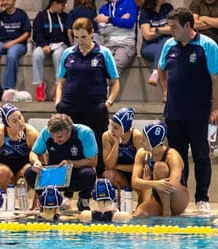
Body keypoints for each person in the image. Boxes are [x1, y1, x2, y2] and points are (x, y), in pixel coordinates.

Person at [157, 8, 218, 214]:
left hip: (198, 112)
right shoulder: (169, 45)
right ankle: (182, 197)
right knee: (177, 157)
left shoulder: (207, 46)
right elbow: (161, 70)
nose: (171, 30)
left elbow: (217, 78)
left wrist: (216, 108)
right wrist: (166, 90)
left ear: (188, 26)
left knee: (201, 156)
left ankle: (202, 198)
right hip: (174, 112)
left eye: (174, 27)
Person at [56, 17, 120, 177]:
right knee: (69, 143)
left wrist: (108, 103)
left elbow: (115, 82)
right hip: (70, 107)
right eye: (76, 37)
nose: (80, 41)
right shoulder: (68, 53)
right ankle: (68, 188)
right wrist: (58, 102)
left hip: (95, 108)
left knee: (97, 144)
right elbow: (61, 81)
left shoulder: (103, 53)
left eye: (83, 36)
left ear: (92, 34)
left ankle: (97, 183)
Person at [24, 113, 97, 211]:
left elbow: (92, 162)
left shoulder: (85, 133)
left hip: (75, 174)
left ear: (69, 131)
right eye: (52, 137)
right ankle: (46, 198)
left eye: (59, 137)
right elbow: (34, 152)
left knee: (89, 173)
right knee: (29, 172)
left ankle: (84, 199)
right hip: (54, 174)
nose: (55, 141)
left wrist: (71, 163)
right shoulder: (46, 132)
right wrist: (36, 161)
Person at [131, 122, 189, 216]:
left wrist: (150, 182)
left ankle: (167, 211)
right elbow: (135, 182)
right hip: (158, 199)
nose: (140, 142)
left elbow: (173, 185)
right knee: (138, 215)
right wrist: (153, 183)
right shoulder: (141, 154)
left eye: (144, 140)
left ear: (153, 142)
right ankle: (164, 210)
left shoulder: (172, 155)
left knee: (159, 167)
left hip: (177, 198)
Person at [190, 0, 218, 104]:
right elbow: (194, 24)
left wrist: (204, 18)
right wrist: (215, 22)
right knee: (194, 55)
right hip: (201, 38)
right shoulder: (196, 3)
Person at [0, 103, 39, 191]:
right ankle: (2, 200)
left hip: (24, 166)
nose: (20, 122)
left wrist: (36, 204)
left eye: (20, 117)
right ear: (7, 124)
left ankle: (23, 200)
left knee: (28, 171)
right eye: (15, 121)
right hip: (3, 167)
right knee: (2, 172)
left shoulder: (32, 134)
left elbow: (43, 164)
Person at [0, 0, 31, 89]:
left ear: (14, 1)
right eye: (3, 0)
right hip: (3, 42)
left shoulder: (21, 14)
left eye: (8, 0)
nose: (5, 2)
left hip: (19, 43)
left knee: (11, 55)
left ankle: (8, 87)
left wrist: (12, 43)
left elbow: (27, 34)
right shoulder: (1, 15)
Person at [102, 107, 146, 204]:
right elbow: (109, 166)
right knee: (108, 175)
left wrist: (118, 167)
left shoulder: (136, 137)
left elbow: (142, 167)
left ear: (125, 128)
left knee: (145, 174)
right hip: (120, 175)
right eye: (111, 126)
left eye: (116, 127)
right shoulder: (107, 137)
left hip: (136, 174)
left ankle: (142, 202)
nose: (112, 130)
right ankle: (118, 205)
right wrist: (116, 144)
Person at [31, 0, 69, 102]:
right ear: (54, 3)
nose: (64, 7)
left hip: (61, 44)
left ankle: (59, 86)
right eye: (62, 5)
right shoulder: (41, 16)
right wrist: (43, 45)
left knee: (58, 55)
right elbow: (37, 34)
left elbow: (68, 33)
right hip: (46, 44)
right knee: (36, 54)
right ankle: (39, 85)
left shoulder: (64, 17)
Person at [95, 0, 139, 71]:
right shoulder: (104, 8)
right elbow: (102, 30)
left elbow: (129, 23)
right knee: (96, 66)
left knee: (114, 67)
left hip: (126, 44)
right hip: (108, 44)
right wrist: (121, 21)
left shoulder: (129, 3)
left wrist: (109, 20)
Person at [138, 0, 173, 86]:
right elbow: (147, 35)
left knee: (165, 44)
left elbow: (173, 29)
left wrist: (157, 30)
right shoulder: (145, 12)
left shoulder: (168, 8)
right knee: (164, 44)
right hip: (148, 47)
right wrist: (165, 30)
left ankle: (155, 72)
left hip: (166, 45)